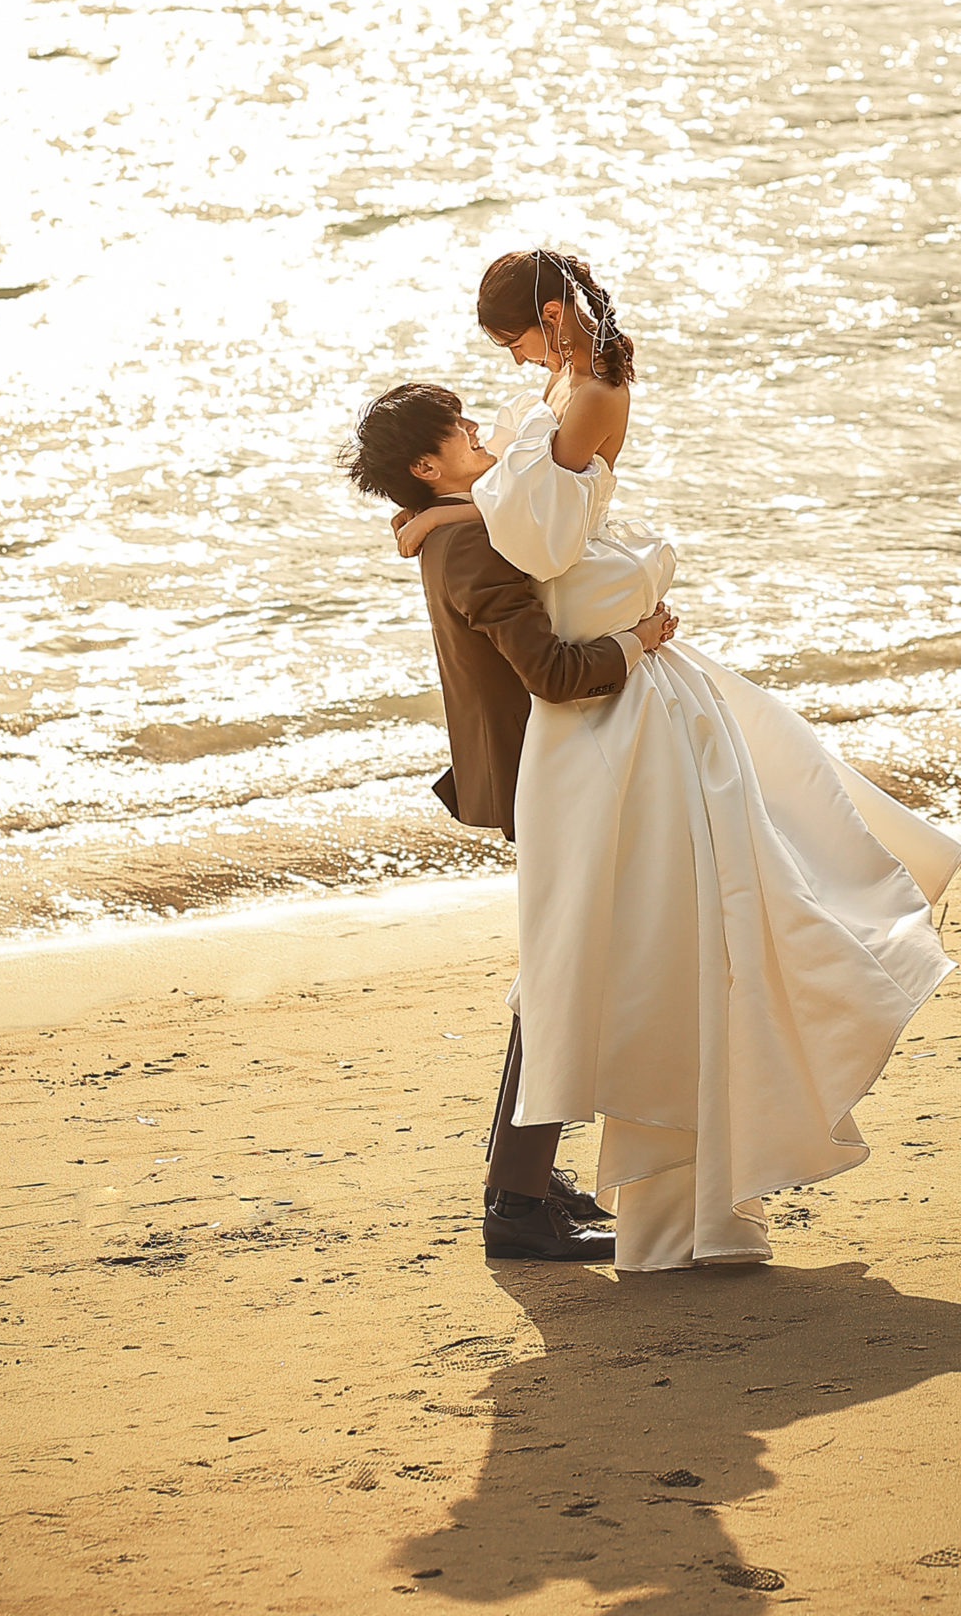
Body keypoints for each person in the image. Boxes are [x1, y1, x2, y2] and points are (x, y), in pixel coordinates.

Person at [393, 249, 961, 1272]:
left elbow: (536, 539)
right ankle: (517, 1192)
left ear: (551, 318)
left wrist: (446, 519)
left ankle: (522, 1185)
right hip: (573, 745)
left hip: (595, 739)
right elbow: (541, 593)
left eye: (514, 340)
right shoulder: (534, 443)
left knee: (590, 962)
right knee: (578, 967)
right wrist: (617, 625)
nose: (509, 371)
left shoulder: (564, 418)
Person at [341, 381, 676, 1265]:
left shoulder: (449, 531)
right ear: (426, 466)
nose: (473, 426)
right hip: (555, 779)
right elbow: (552, 674)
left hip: (550, 774)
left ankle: (520, 1178)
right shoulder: (471, 545)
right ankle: (516, 1203)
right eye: (454, 428)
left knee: (558, 977)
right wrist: (636, 640)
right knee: (560, 981)